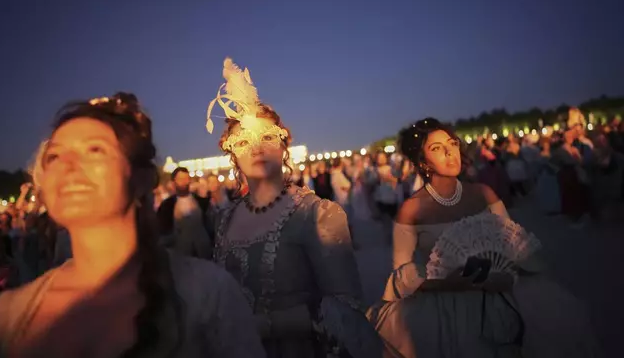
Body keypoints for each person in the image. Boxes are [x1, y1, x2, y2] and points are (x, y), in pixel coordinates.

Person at [0, 93, 265, 358]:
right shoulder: (2, 321)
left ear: (141, 178)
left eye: (94, 150)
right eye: (54, 156)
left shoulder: (208, 296)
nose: (67, 165)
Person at [205, 58, 391, 357]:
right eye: (244, 141)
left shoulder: (318, 214)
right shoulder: (225, 219)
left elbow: (344, 308)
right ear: (231, 153)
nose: (256, 147)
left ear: (284, 146)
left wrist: (263, 325)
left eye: (267, 137)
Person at [369, 117, 600, 358]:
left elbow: (514, 246)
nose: (450, 153)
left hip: (500, 291)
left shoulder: (483, 194)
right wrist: (447, 283)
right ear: (423, 161)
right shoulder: (412, 209)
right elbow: (402, 273)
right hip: (446, 307)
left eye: (452, 144)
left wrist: (504, 274)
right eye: (437, 148)